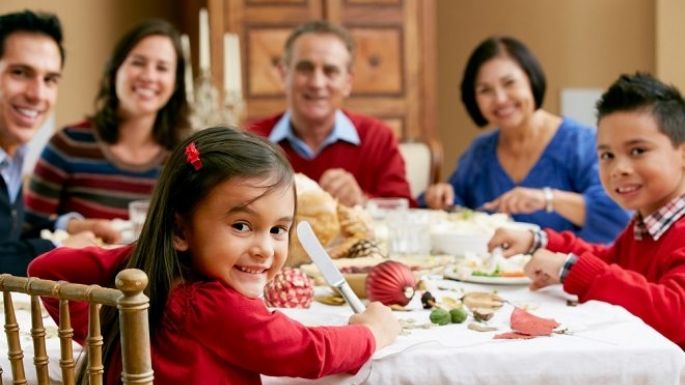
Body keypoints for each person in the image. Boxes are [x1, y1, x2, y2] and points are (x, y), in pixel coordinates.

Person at [28, 126, 400, 385]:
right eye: (241, 226)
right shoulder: (212, 305)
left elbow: (46, 268)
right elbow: (308, 352)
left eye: (278, 230)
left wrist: (132, 267)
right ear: (180, 231)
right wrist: (370, 333)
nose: (264, 249)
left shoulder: (159, 282)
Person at [489, 73, 685, 347]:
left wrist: (570, 270)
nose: (619, 169)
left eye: (638, 150)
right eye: (607, 156)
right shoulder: (644, 225)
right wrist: (540, 241)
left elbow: (677, 314)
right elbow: (610, 261)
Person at [422, 36, 629, 244]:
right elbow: (457, 206)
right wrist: (441, 197)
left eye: (509, 83)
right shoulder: (481, 151)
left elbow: (618, 216)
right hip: (490, 273)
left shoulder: (582, 144)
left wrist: (547, 199)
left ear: (531, 80)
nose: (500, 99)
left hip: (565, 271)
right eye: (485, 90)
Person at [24, 19, 190, 238]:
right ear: (115, 70)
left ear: (176, 83)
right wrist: (73, 227)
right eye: (138, 62)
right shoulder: (67, 145)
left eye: (162, 68)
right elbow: (27, 230)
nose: (149, 76)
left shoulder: (184, 159)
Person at [248, 20, 412, 207]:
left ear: (348, 82)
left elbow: (405, 210)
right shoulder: (253, 140)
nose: (317, 83)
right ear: (284, 74)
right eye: (305, 68)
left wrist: (361, 202)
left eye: (330, 71)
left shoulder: (378, 138)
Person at [0, 10, 103, 276]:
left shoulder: (12, 155)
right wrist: (58, 247)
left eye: (49, 80)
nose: (38, 94)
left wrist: (67, 226)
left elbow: (7, 236)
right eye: (20, 72)